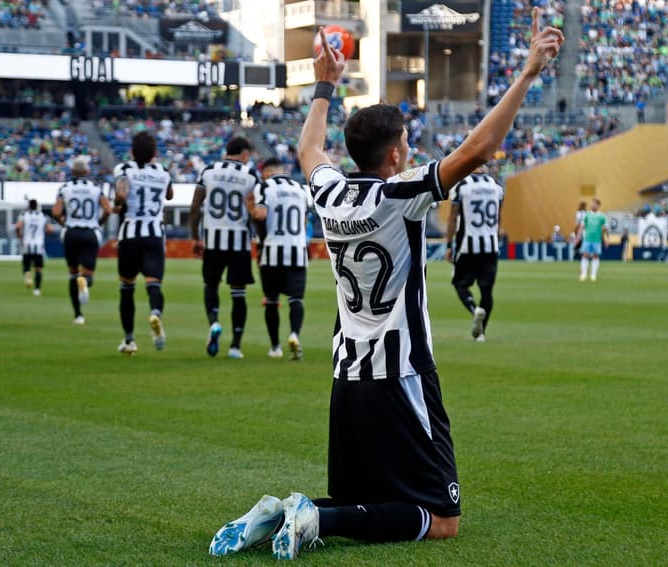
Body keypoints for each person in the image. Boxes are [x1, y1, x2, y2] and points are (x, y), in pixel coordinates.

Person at [209, 14, 563, 560]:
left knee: (366, 500)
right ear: (395, 155)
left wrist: (325, 85)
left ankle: (284, 513)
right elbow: (478, 151)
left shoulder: (330, 194)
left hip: (346, 375)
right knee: (442, 520)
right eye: (405, 143)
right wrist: (527, 73)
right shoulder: (400, 195)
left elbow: (309, 151)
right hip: (401, 374)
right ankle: (312, 517)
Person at [189, 136, 261, 359]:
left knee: (211, 285)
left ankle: (213, 322)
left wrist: (195, 237)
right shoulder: (250, 175)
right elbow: (255, 210)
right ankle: (235, 346)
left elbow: (195, 206)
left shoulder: (208, 170)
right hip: (239, 241)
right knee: (238, 293)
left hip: (213, 239)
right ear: (245, 154)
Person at [113, 131, 173, 354]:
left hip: (130, 233)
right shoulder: (163, 172)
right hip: (154, 233)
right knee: (154, 283)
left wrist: (119, 200)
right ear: (154, 153)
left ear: (132, 151)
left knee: (127, 287)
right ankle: (155, 313)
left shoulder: (124, 169)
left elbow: (121, 194)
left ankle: (129, 340)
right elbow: (169, 196)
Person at [246, 157, 310, 360]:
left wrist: (250, 207)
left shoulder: (265, 187)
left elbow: (261, 214)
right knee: (296, 300)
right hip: (297, 251)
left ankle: (275, 347)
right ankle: (294, 335)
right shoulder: (301, 189)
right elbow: (304, 219)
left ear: (266, 172)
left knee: (272, 301)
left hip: (272, 251)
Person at [445, 168, 505, 342]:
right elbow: (499, 215)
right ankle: (481, 333)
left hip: (467, 245)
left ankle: (474, 309)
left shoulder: (462, 186)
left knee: (459, 283)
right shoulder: (497, 186)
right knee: (487, 291)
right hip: (490, 245)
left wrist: (449, 245)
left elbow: (453, 217)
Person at [52, 158, 112, 325]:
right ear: (87, 172)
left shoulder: (65, 188)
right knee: (88, 274)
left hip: (71, 232)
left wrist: (64, 223)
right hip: (90, 232)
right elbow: (108, 209)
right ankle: (85, 281)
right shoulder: (95, 188)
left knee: (72, 273)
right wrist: (99, 222)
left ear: (72, 172)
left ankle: (78, 315)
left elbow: (56, 212)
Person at [15, 199, 53, 297]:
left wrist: (19, 235)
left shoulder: (24, 215)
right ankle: (37, 290)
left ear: (29, 206)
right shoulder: (43, 216)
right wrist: (44, 232)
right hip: (39, 245)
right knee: (38, 269)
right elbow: (50, 229)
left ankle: (27, 275)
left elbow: (18, 226)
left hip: (27, 244)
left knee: (26, 266)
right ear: (37, 206)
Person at [576, 198, 608, 282]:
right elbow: (582, 227)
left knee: (595, 256)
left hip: (597, 240)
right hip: (587, 239)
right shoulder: (587, 215)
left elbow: (605, 229)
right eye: (591, 203)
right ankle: (584, 274)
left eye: (594, 204)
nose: (592, 205)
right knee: (585, 255)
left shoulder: (602, 216)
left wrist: (605, 239)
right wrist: (578, 237)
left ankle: (593, 275)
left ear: (598, 205)